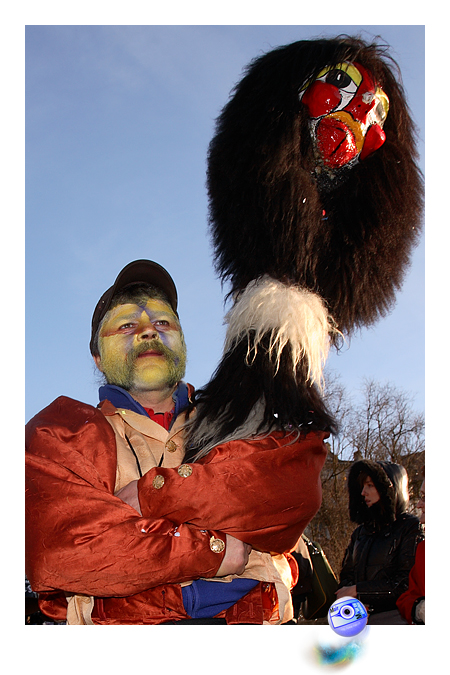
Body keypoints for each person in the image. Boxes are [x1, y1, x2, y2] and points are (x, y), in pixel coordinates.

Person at [26, 259, 331, 625]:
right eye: (126, 325)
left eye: (163, 322)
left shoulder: (242, 415)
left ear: (182, 341)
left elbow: (287, 492)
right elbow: (69, 551)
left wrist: (150, 495)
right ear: (97, 357)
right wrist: (219, 551)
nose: (149, 332)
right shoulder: (59, 431)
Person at [336, 459, 423, 625]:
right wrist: (354, 602)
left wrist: (358, 591)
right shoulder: (360, 533)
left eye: (370, 485)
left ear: (389, 488)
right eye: (362, 486)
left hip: (396, 618)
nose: (363, 492)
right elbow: (346, 575)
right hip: (357, 618)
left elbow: (406, 582)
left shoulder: (410, 527)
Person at [396, 471, 425, 624]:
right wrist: (419, 608)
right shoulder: (423, 550)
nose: (419, 504)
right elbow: (407, 598)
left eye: (425, 498)